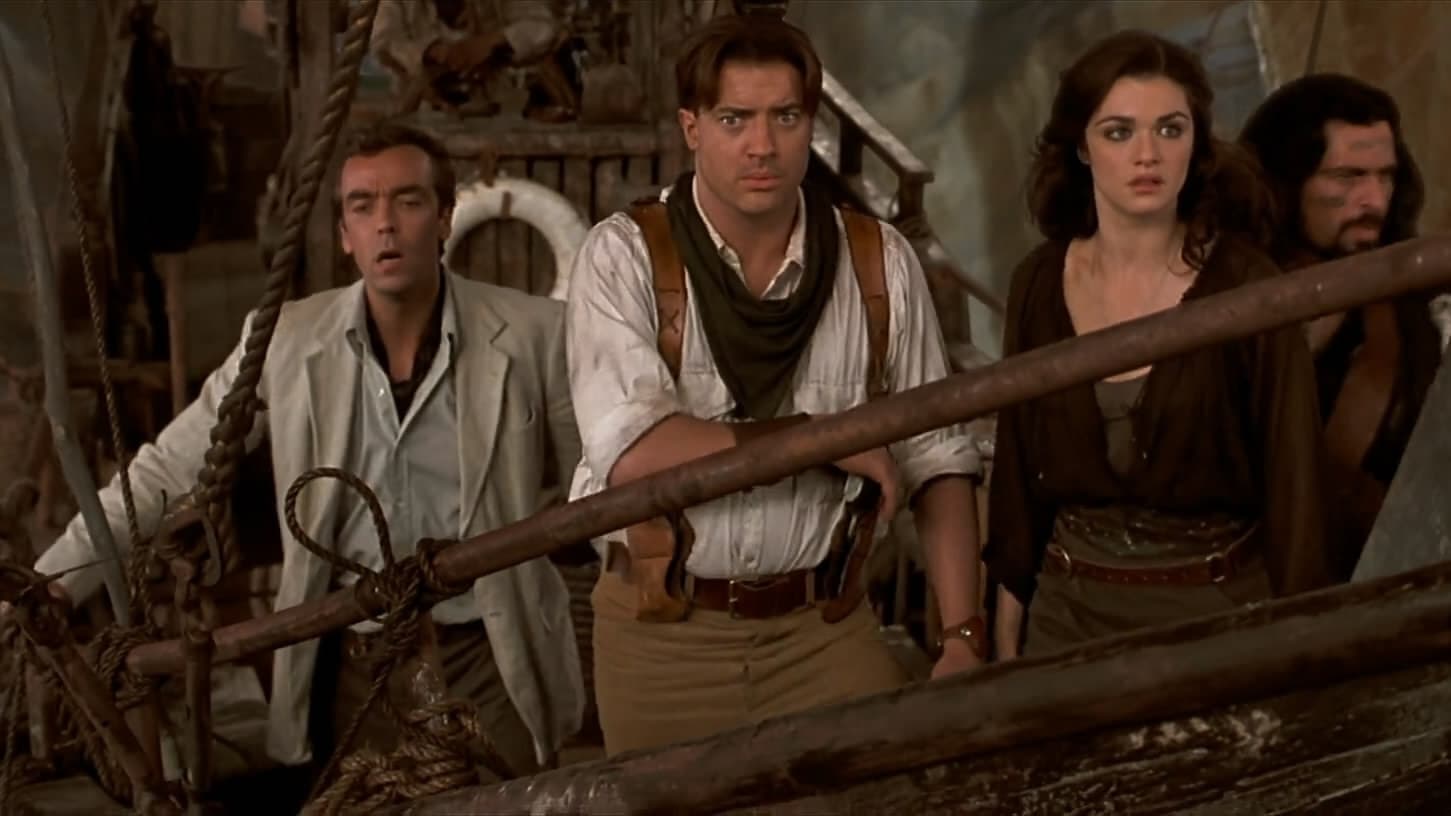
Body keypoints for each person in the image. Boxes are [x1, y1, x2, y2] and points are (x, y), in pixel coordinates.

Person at [34, 121, 584, 781]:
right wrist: (55, 579)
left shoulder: (533, 333)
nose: (385, 224)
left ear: (444, 218)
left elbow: (593, 478)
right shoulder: (287, 341)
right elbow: (170, 465)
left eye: (408, 201)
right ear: (345, 234)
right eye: (363, 206)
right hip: (347, 656)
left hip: (491, 648)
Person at [565, 13, 984, 756]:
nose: (761, 145)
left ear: (808, 125)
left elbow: (938, 456)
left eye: (784, 117)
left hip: (825, 627)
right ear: (692, 129)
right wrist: (816, 440)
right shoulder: (624, 256)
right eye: (735, 119)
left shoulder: (878, 264)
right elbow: (630, 451)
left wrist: (961, 637)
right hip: (662, 633)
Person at [985, 31, 1332, 659]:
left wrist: (1301, 640)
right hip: (1068, 612)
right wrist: (1006, 620)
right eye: (1119, 132)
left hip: (1215, 609)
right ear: (1082, 146)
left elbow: (1295, 481)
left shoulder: (1245, 281)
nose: (1147, 155)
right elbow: (1016, 465)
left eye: (1170, 130)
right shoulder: (1038, 280)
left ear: (1196, 142)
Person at [1238, 74, 1443, 580]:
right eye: (1347, 177)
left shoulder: (1417, 298)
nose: (1374, 200)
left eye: (1385, 177)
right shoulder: (1226, 301)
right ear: (1287, 185)